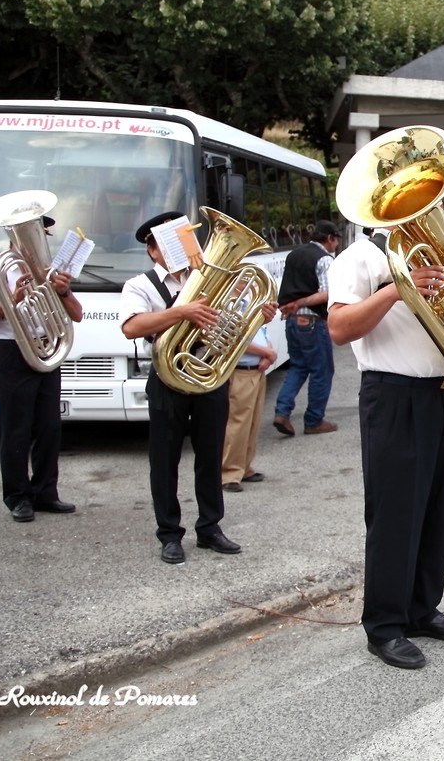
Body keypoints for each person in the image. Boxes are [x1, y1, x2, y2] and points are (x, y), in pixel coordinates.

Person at [327, 225, 444, 670]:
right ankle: (385, 626)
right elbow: (339, 327)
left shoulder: (443, 246)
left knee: (439, 509)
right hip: (393, 394)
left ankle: (423, 609)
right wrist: (397, 291)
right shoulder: (362, 256)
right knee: (394, 516)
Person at [120, 211, 272, 563]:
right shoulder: (140, 285)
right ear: (153, 251)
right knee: (165, 460)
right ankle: (169, 534)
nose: (183, 248)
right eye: (172, 242)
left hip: (210, 378)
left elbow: (231, 323)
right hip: (167, 379)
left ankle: (210, 528)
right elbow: (132, 327)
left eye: (186, 239)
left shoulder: (208, 278)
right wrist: (182, 312)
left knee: (209, 455)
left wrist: (256, 317)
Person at [0, 214, 84, 523]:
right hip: (12, 351)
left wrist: (63, 291)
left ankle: (46, 492)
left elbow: (77, 314)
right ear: (12, 236)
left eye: (39, 234)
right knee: (15, 427)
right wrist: (10, 300)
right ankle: (18, 496)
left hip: (47, 347)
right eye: (29, 234)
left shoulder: (50, 272)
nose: (37, 241)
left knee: (49, 425)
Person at [273, 220, 342, 436]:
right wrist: (301, 303)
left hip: (292, 321)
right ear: (329, 238)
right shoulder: (324, 259)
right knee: (322, 371)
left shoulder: (294, 253)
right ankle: (314, 420)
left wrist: (293, 305)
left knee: (298, 367)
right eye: (336, 240)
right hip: (312, 321)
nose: (336, 245)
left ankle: (282, 412)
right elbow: (327, 293)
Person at [220, 315, 275, 492]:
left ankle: (244, 467)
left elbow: (263, 332)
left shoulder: (250, 300)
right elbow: (233, 340)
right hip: (240, 370)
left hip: (256, 370)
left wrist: (269, 353)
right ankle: (230, 472)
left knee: (253, 421)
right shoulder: (228, 305)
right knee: (237, 423)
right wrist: (265, 353)